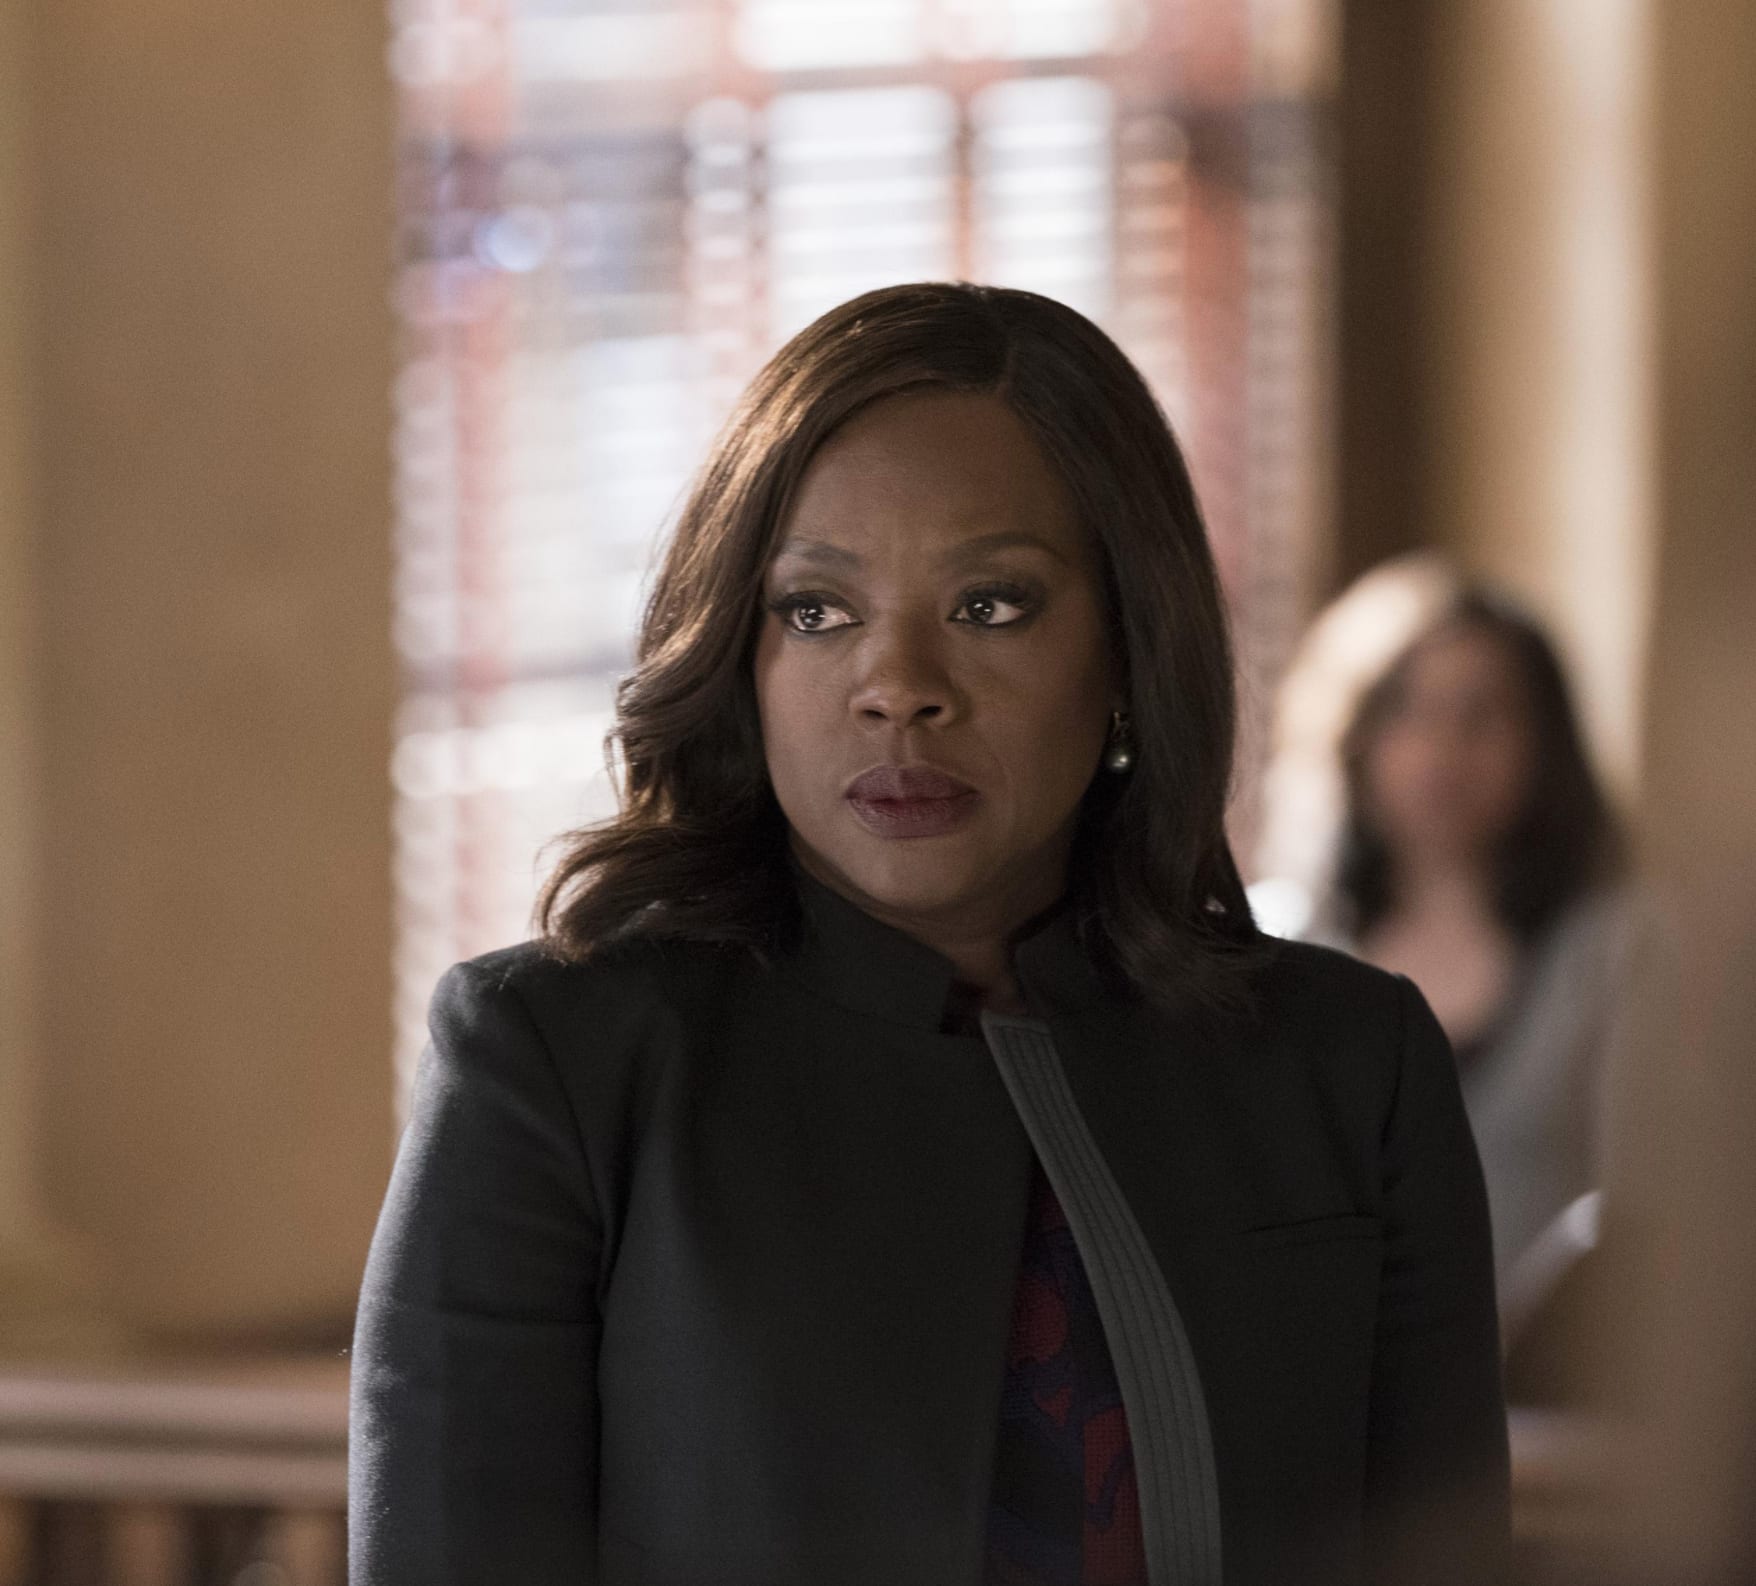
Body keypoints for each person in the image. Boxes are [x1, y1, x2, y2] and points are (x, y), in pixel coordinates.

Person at [349, 285, 1509, 1586]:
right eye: (816, 610)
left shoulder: (1347, 1066)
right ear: (739, 654)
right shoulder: (558, 1067)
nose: (897, 685)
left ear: (1129, 648)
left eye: (990, 605)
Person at [1251, 555, 1669, 1336]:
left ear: (1545, 742)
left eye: (1483, 714)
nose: (1442, 749)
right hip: (1313, 1372)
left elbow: (1648, 1208)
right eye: (1406, 709)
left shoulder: (1616, 953)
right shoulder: (1270, 945)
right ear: (1353, 731)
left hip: (1534, 1384)